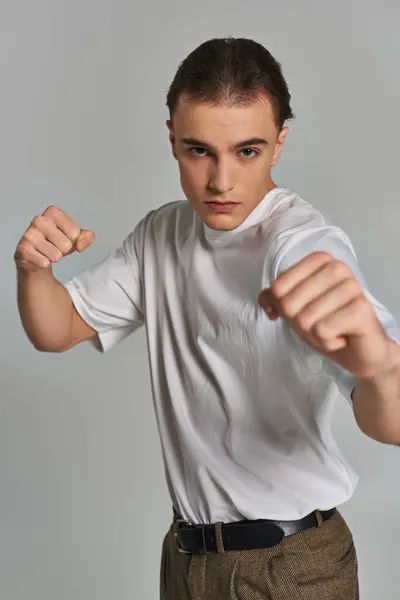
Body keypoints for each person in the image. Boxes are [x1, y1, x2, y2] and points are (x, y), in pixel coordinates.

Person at [14, 37, 400, 600]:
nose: (221, 181)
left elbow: (388, 422)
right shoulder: (162, 234)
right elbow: (57, 329)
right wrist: (33, 270)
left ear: (279, 144)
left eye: (247, 151)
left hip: (290, 567)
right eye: (200, 151)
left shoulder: (303, 246)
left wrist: (384, 370)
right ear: (172, 140)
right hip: (189, 557)